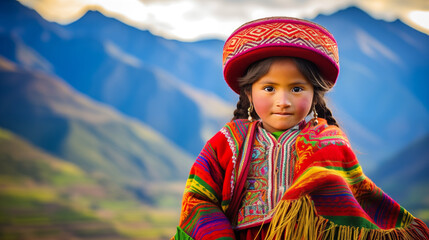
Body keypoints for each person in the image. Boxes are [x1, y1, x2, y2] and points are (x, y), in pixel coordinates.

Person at [173, 17, 429, 240]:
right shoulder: (226, 142)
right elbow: (199, 198)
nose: (283, 102)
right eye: (269, 88)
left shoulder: (329, 144)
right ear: (249, 93)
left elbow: (353, 206)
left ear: (315, 94)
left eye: (297, 89)